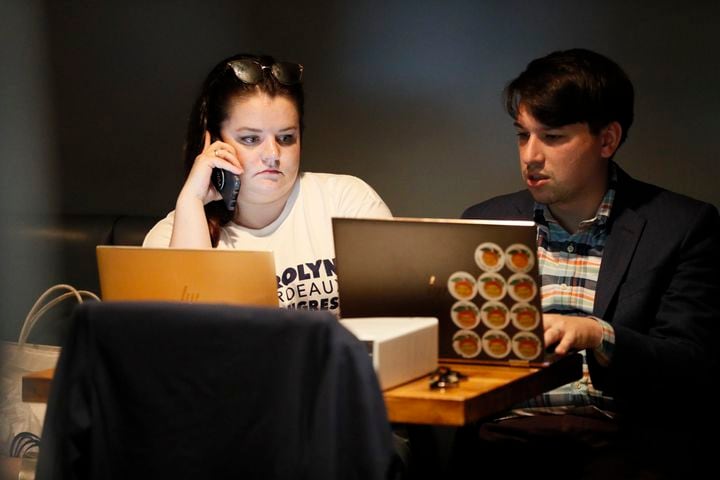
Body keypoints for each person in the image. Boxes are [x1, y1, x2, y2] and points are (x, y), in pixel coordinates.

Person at [457, 48, 720, 478]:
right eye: (523, 136)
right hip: (506, 435)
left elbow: (692, 365)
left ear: (607, 139)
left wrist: (599, 335)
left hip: (620, 440)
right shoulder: (484, 222)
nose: (531, 156)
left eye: (553, 137)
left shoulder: (683, 226)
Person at [143, 53, 392, 316]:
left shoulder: (346, 202)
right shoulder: (171, 236)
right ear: (213, 143)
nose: (272, 153)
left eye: (286, 137)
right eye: (251, 139)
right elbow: (181, 337)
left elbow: (398, 317)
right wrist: (191, 200)